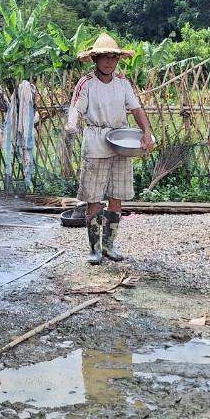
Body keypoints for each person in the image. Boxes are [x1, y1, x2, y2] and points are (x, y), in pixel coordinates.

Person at [65, 33, 155, 264]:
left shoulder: (123, 83)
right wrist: (72, 123)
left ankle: (109, 245)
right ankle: (94, 248)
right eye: (104, 57)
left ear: (117, 60)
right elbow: (77, 108)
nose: (109, 62)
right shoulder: (87, 83)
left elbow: (136, 110)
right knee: (93, 197)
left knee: (117, 196)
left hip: (121, 141)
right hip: (96, 140)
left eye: (113, 58)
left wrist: (146, 133)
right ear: (95, 59)